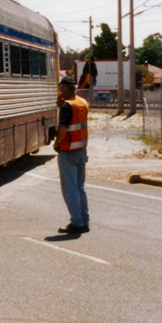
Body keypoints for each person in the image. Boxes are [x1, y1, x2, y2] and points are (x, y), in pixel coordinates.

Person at [53, 76, 90, 234]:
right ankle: (84, 221)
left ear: (66, 88)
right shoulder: (82, 102)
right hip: (81, 150)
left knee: (70, 189)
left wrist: (56, 143)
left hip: (68, 151)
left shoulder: (68, 106)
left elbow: (63, 128)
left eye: (60, 87)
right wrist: (61, 104)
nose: (59, 90)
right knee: (80, 187)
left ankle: (76, 223)